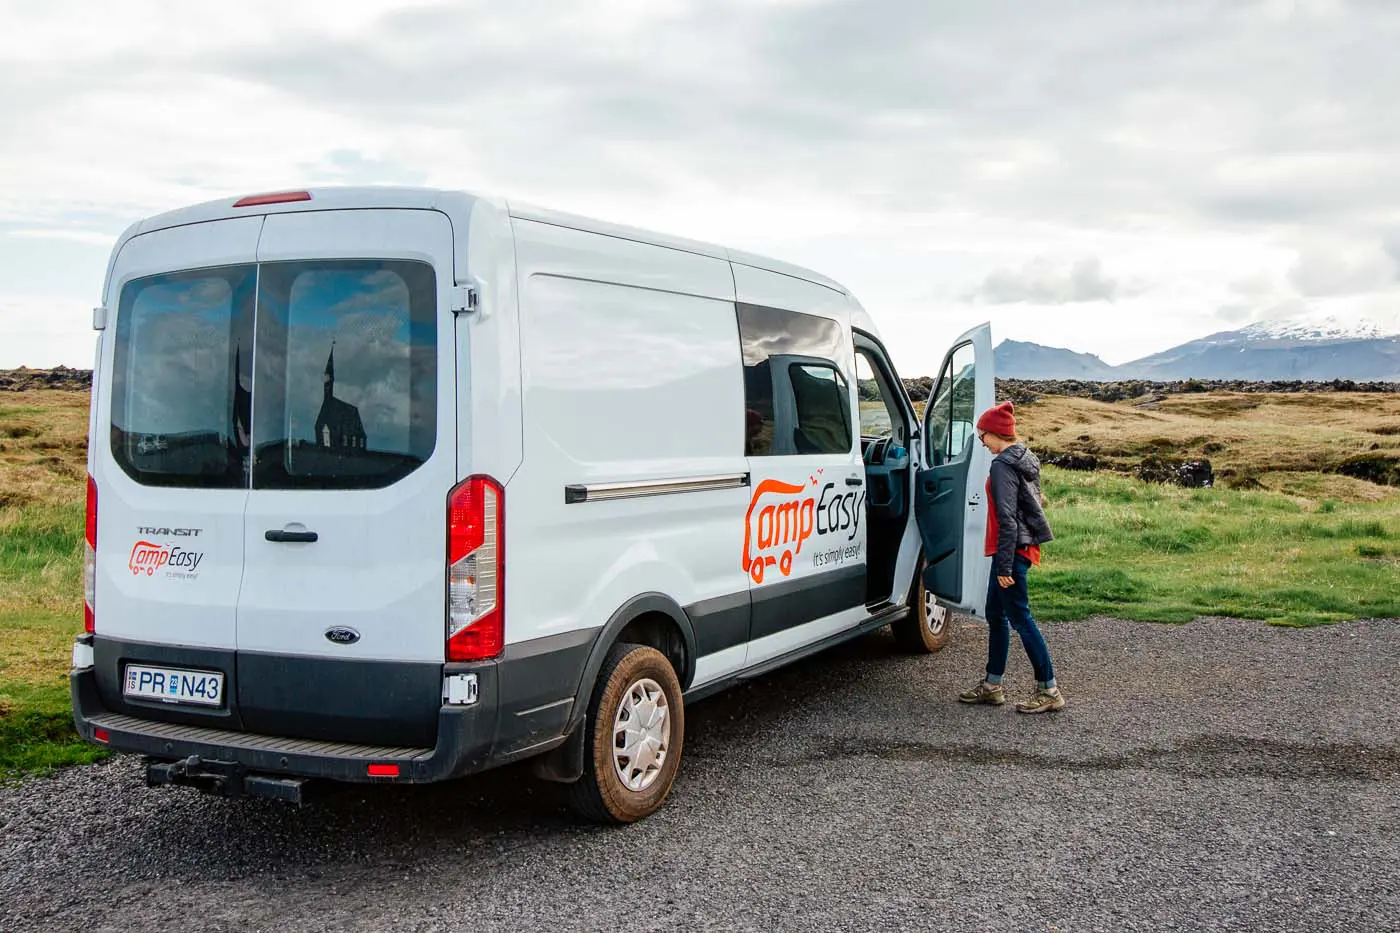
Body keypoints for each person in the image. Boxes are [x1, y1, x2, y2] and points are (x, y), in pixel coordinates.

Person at [958, 401, 1065, 713]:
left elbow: (1007, 518)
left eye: (983, 437)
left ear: (997, 434)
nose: (981, 442)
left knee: (1020, 617)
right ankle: (992, 686)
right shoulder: (1025, 457)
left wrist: (1004, 566)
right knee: (996, 614)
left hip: (1011, 551)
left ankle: (1049, 690)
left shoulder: (1003, 465)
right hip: (1019, 548)